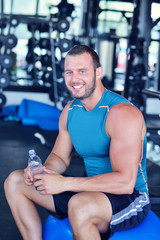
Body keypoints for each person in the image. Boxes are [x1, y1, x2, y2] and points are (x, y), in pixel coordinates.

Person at [4, 45, 150, 240]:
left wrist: (63, 183)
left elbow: (125, 183)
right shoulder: (70, 112)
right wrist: (43, 171)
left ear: (98, 72)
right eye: (69, 72)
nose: (74, 79)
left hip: (130, 198)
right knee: (15, 181)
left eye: (82, 71)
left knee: (79, 206)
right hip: (88, 190)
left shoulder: (122, 114)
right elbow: (59, 157)